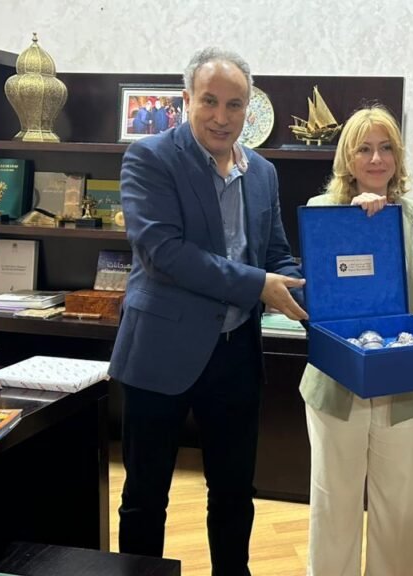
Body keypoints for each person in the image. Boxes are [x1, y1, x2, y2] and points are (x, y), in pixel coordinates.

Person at [109, 46, 307, 573]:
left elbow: (275, 253)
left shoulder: (262, 172)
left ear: (249, 108)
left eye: (235, 104)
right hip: (160, 353)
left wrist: (319, 289)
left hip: (236, 355)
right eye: (210, 101)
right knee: (145, 495)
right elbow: (165, 253)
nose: (222, 116)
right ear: (186, 100)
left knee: (235, 493)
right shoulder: (150, 158)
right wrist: (259, 284)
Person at [299, 106, 413, 576]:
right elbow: (319, 290)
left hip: (401, 378)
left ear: (398, 155)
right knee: (335, 503)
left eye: (386, 147)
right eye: (364, 148)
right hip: (336, 383)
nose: (376, 158)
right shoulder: (322, 211)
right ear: (347, 157)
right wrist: (356, 224)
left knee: (399, 507)